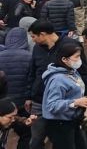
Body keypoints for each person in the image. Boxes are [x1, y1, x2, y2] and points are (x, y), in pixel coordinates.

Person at [42, 41, 87, 149]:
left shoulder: (72, 72)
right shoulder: (57, 79)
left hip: (72, 120)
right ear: (64, 59)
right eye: (77, 57)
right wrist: (75, 102)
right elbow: (51, 105)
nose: (79, 60)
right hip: (60, 124)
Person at [27, 20, 61, 149]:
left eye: (33, 36)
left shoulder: (67, 47)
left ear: (42, 34)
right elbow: (33, 71)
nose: (32, 40)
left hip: (58, 100)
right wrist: (29, 95)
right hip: (38, 100)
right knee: (36, 138)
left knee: (59, 136)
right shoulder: (37, 48)